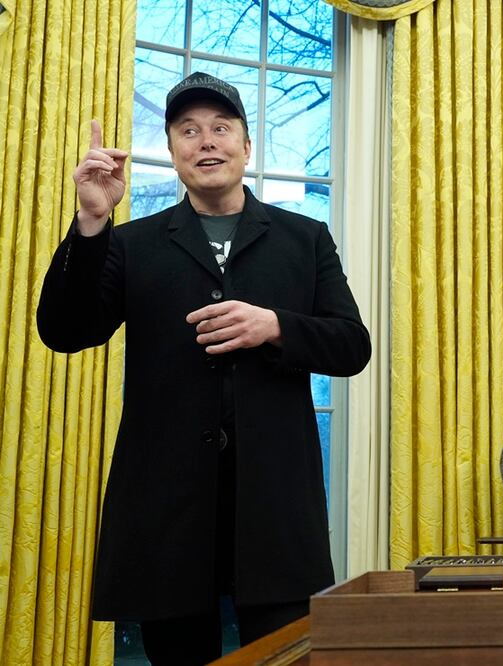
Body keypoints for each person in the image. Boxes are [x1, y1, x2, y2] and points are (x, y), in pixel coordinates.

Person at [37, 72, 371, 664]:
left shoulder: (305, 238)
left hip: (275, 511)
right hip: (167, 512)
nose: (206, 142)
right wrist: (91, 222)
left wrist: (276, 326)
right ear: (172, 152)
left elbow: (352, 346)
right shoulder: (131, 242)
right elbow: (65, 332)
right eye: (189, 131)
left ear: (247, 146)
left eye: (221, 128)